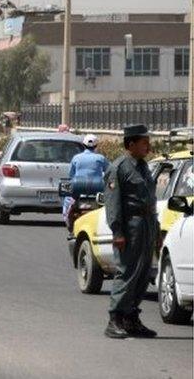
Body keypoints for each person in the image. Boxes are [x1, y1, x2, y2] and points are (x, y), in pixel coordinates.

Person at [103, 125, 158, 339]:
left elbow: (151, 200)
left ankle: (131, 318)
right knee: (127, 272)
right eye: (144, 142)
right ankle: (115, 319)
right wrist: (118, 232)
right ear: (131, 144)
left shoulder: (144, 167)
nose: (148, 146)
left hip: (147, 224)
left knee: (143, 274)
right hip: (131, 226)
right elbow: (113, 203)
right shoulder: (119, 168)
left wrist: (157, 229)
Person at [63, 134, 110, 227]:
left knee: (67, 203)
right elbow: (109, 171)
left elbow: (71, 174)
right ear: (96, 146)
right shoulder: (100, 158)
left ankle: (68, 223)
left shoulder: (76, 158)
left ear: (83, 145)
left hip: (78, 189)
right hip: (97, 189)